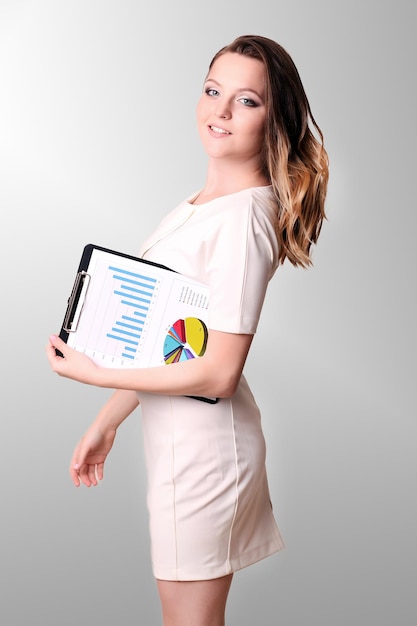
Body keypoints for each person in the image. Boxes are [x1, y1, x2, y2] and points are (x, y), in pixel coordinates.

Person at [46, 34, 329, 626]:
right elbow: (174, 345)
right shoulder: (202, 204)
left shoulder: (246, 219)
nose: (220, 111)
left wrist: (99, 375)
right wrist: (106, 423)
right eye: (212, 90)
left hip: (204, 453)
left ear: (274, 121)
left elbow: (220, 372)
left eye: (246, 101)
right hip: (183, 445)